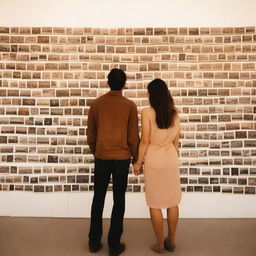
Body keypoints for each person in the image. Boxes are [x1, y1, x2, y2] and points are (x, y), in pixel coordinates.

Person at [87, 68, 140, 256]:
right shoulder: (130, 106)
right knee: (119, 201)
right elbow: (133, 137)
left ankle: (94, 242)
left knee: (98, 199)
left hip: (102, 157)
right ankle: (114, 245)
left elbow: (91, 135)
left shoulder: (97, 104)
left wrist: (98, 151)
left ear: (108, 82)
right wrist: (137, 158)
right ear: (124, 84)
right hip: (121, 159)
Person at [133, 78, 182, 253]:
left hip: (154, 159)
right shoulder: (175, 113)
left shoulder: (147, 112)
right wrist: (173, 154)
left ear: (151, 95)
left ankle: (160, 244)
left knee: (154, 203)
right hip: (170, 159)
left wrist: (138, 162)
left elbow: (145, 140)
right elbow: (176, 141)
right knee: (172, 202)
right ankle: (171, 241)